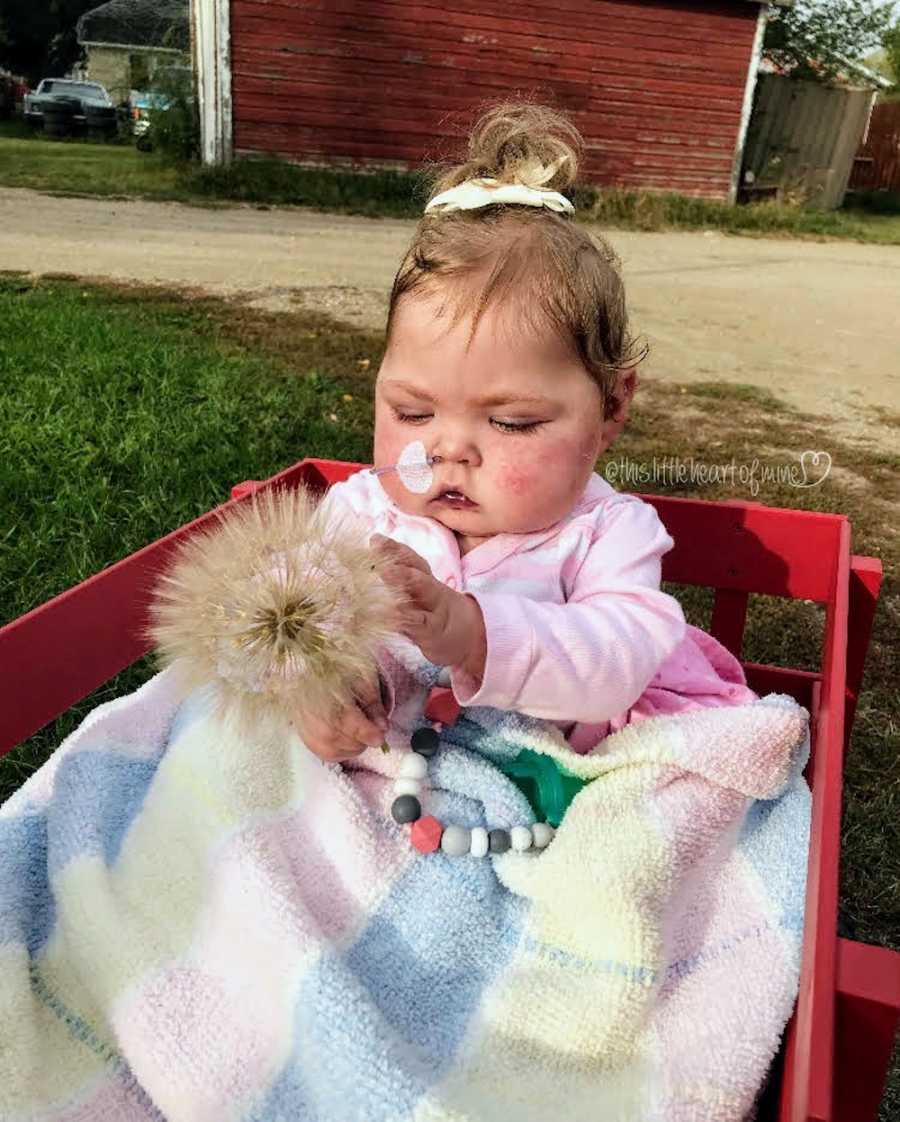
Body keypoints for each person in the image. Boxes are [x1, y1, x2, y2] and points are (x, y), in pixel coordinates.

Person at [290, 100, 756, 764]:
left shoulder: (605, 534)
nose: (447, 449)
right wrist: (316, 692)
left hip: (552, 793)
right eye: (413, 412)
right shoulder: (360, 512)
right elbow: (284, 624)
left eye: (511, 421)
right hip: (392, 781)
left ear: (612, 408)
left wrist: (472, 632)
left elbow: (616, 664)